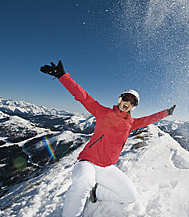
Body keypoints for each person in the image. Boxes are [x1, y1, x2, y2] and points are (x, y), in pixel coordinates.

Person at [40, 60, 176, 217]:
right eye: (126, 98)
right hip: (87, 162)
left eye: (133, 102)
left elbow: (149, 119)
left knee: (129, 196)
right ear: (120, 99)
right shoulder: (103, 112)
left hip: (107, 168)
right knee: (84, 183)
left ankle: (97, 193)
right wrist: (63, 76)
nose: (128, 103)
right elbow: (82, 96)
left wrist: (166, 113)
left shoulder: (131, 123)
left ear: (134, 107)